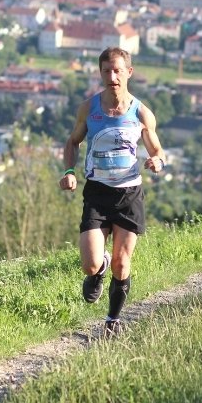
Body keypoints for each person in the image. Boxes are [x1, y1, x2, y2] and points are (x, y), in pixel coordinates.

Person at [59, 46, 166, 336]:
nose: (112, 76)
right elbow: (72, 143)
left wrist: (156, 160)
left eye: (118, 70)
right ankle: (99, 268)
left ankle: (112, 321)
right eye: (107, 70)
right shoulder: (89, 108)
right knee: (90, 263)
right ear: (100, 73)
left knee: (123, 262)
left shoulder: (141, 112)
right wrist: (69, 171)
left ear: (128, 72)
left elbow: (156, 149)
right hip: (96, 192)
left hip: (129, 195)